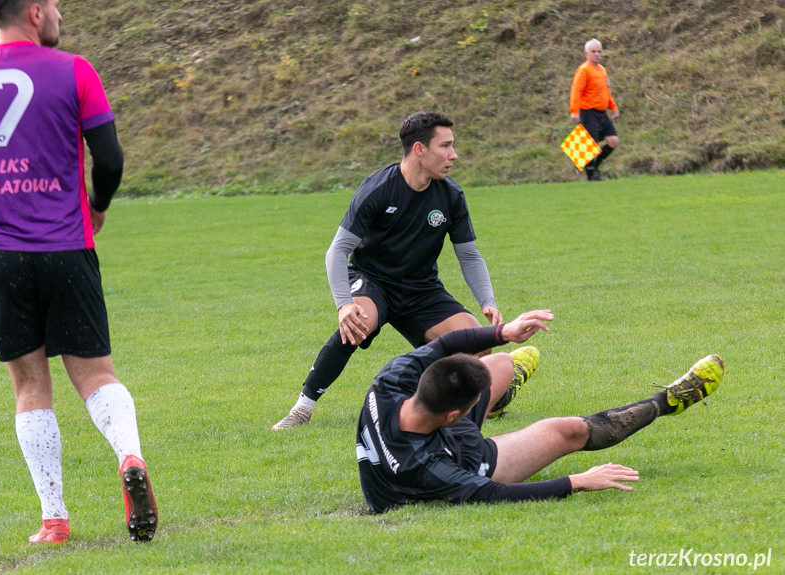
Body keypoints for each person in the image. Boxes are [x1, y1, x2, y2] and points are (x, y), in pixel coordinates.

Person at [0, 0, 157, 544]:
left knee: (29, 384)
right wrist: (98, 201)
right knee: (97, 375)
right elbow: (112, 158)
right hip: (65, 246)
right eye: (53, 4)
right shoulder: (75, 71)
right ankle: (129, 455)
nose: (60, 13)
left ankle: (54, 519)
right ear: (32, 12)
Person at [356, 310, 724, 513]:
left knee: (498, 363)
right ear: (455, 416)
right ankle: (669, 401)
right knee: (567, 431)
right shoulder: (431, 469)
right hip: (463, 456)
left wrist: (506, 330)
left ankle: (503, 388)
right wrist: (577, 482)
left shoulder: (391, 381)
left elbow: (447, 343)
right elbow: (493, 494)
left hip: (432, 429)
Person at [273, 111, 505, 430]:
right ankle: (302, 408)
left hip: (421, 288)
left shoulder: (451, 195)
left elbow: (468, 254)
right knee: (357, 323)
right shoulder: (379, 189)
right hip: (372, 281)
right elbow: (337, 250)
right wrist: (344, 304)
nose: (454, 155)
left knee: (478, 342)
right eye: (446, 146)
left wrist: (486, 300)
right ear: (420, 150)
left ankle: (473, 404)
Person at [569, 38, 620, 182]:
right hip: (588, 111)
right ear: (586, 53)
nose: (597, 54)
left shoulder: (602, 70)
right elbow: (576, 91)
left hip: (601, 112)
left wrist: (613, 106)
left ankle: (595, 165)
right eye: (593, 52)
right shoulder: (584, 70)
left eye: (599, 51)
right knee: (590, 143)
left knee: (613, 141)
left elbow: (606, 91)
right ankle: (591, 174)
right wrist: (574, 111)